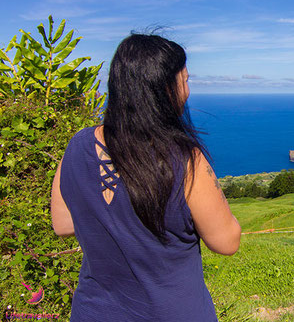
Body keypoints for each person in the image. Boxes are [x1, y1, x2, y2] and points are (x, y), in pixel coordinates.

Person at [50, 34, 241, 321]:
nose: (188, 89)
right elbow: (227, 242)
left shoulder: (78, 145)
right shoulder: (185, 160)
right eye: (185, 80)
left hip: (93, 312)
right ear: (164, 89)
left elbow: (63, 224)